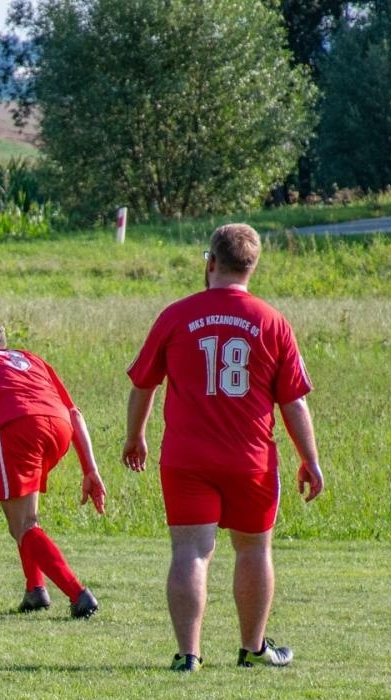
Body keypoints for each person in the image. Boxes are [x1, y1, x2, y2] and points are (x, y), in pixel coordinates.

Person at [123, 223, 324, 672]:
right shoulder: (272, 321)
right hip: (250, 460)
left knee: (191, 551)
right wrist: (309, 458)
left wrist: (135, 435)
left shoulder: (176, 315)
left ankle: (188, 655)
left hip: (186, 459)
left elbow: (143, 384)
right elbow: (294, 402)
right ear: (252, 267)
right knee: (253, 550)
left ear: (210, 262)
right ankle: (252, 649)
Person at [0, 319, 104, 618]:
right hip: (59, 428)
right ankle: (35, 590)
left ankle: (78, 594)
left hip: (16, 425)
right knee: (24, 519)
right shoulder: (31, 359)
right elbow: (74, 412)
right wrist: (90, 469)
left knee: (23, 525)